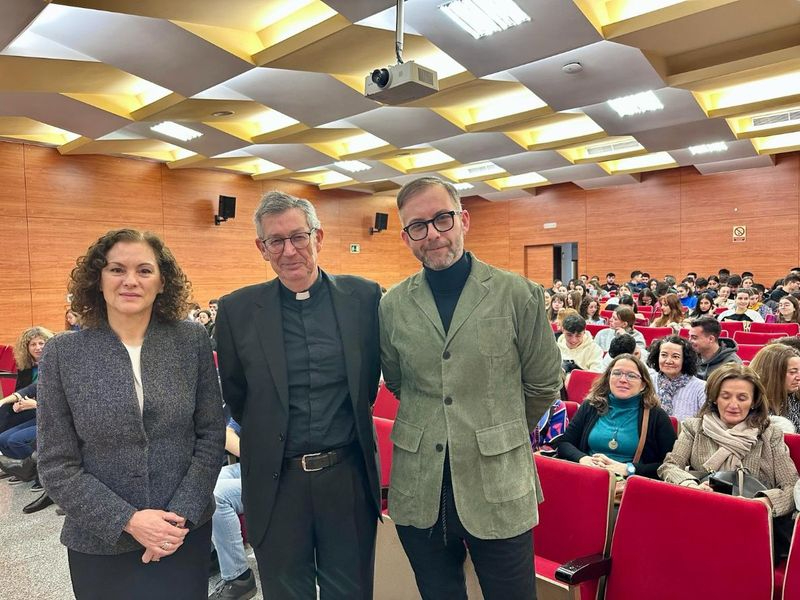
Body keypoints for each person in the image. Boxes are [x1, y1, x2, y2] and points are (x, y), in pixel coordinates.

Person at [379, 176, 561, 600]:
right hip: (420, 482)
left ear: (463, 219)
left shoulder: (519, 294)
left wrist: (498, 428)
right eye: (418, 226)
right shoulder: (392, 305)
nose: (433, 234)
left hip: (498, 480)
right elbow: (397, 379)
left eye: (442, 218)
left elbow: (543, 382)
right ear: (407, 238)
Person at [36, 229, 225, 600]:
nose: (130, 281)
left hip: (182, 534)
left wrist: (178, 515)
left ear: (161, 282)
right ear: (98, 278)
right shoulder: (64, 353)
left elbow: (210, 436)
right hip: (100, 541)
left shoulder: (190, 341)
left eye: (144, 270)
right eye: (117, 269)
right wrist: (129, 521)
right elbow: (56, 463)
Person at [214, 190, 382, 600]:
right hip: (277, 481)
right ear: (262, 248)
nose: (289, 250)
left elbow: (372, 380)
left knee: (351, 591)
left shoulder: (363, 298)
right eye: (276, 241)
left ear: (318, 237)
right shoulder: (237, 310)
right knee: (287, 592)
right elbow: (237, 395)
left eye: (298, 237)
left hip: (347, 476)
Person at [658, 364, 799, 561]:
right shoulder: (693, 427)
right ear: (715, 398)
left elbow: (791, 487)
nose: (733, 404)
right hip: (701, 517)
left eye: (742, 398)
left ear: (754, 402)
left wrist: (759, 504)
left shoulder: (771, 434)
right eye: (726, 396)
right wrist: (692, 487)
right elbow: (670, 466)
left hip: (751, 527)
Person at [554, 354, 676, 480]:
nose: (623, 379)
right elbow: (564, 443)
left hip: (628, 488)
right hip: (587, 478)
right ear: (608, 378)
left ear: (643, 385)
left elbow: (670, 465)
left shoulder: (657, 416)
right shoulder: (591, 406)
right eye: (617, 373)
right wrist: (583, 458)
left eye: (631, 375)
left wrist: (628, 469)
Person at [208, 419, 258, 600]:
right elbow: (228, 434)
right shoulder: (253, 398)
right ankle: (215, 556)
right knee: (208, 481)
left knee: (218, 496)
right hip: (254, 466)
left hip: (283, 474)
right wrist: (256, 458)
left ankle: (239, 577)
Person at [646, 336, 706, 421]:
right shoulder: (648, 382)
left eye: (675, 356)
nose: (668, 361)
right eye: (664, 355)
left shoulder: (701, 387)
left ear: (685, 360)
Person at [750, 344, 800, 433]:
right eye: (792, 372)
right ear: (773, 374)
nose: (798, 377)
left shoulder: (795, 397)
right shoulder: (754, 405)